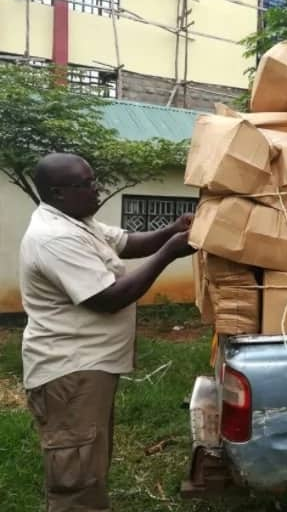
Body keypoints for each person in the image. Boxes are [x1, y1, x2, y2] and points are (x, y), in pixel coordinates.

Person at [19, 152, 196, 511]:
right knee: (76, 476)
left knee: (90, 462)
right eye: (87, 184)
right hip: (69, 372)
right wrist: (169, 253)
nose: (97, 188)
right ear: (58, 192)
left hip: (88, 367)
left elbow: (129, 242)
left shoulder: (77, 221)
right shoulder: (54, 238)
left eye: (94, 179)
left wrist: (174, 229)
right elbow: (109, 298)